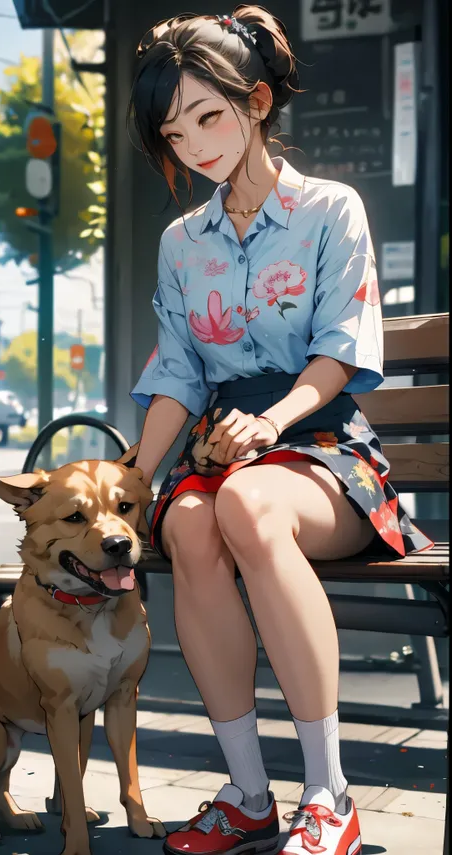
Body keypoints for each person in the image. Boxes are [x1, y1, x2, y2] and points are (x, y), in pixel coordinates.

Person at [126, 7, 433, 855]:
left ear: (256, 102)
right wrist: (133, 479)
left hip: (323, 446)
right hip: (231, 448)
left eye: (208, 116)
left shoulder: (330, 209)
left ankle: (329, 792)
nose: (192, 144)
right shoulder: (181, 243)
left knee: (249, 508)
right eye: (173, 130)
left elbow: (340, 354)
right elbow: (179, 375)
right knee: (189, 520)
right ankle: (248, 792)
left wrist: (269, 424)